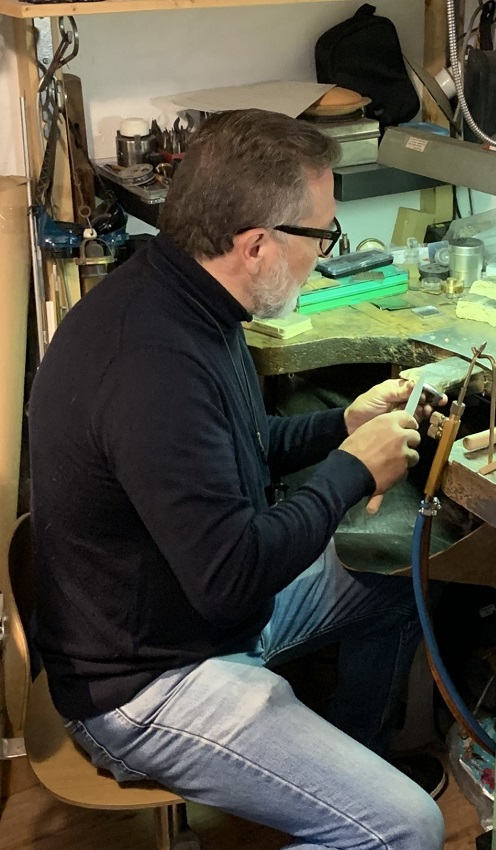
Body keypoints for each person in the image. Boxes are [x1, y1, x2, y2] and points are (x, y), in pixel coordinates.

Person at [29, 109, 446, 850]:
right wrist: (352, 472)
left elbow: (234, 453)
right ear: (257, 245)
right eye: (322, 237)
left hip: (190, 615)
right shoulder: (150, 364)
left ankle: (349, 770)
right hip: (147, 685)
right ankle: (363, 822)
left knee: (403, 569)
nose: (326, 255)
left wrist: (339, 427)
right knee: (407, 829)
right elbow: (233, 573)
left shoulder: (185, 296)